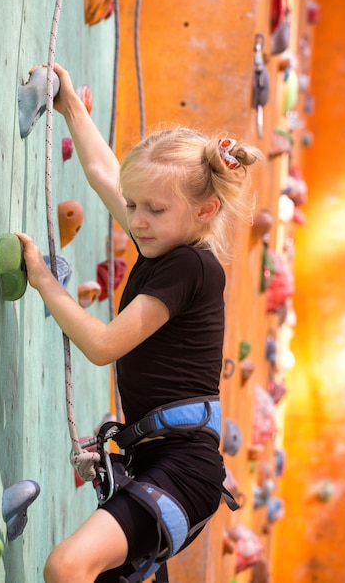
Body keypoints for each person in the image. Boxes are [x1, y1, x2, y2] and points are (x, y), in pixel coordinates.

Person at [16, 63, 263, 583]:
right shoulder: (167, 239)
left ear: (204, 211)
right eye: (133, 206)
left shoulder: (192, 266)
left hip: (183, 468)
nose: (138, 220)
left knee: (66, 567)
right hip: (160, 461)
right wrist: (73, 110)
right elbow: (107, 174)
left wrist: (44, 280)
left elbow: (104, 345)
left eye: (153, 208)